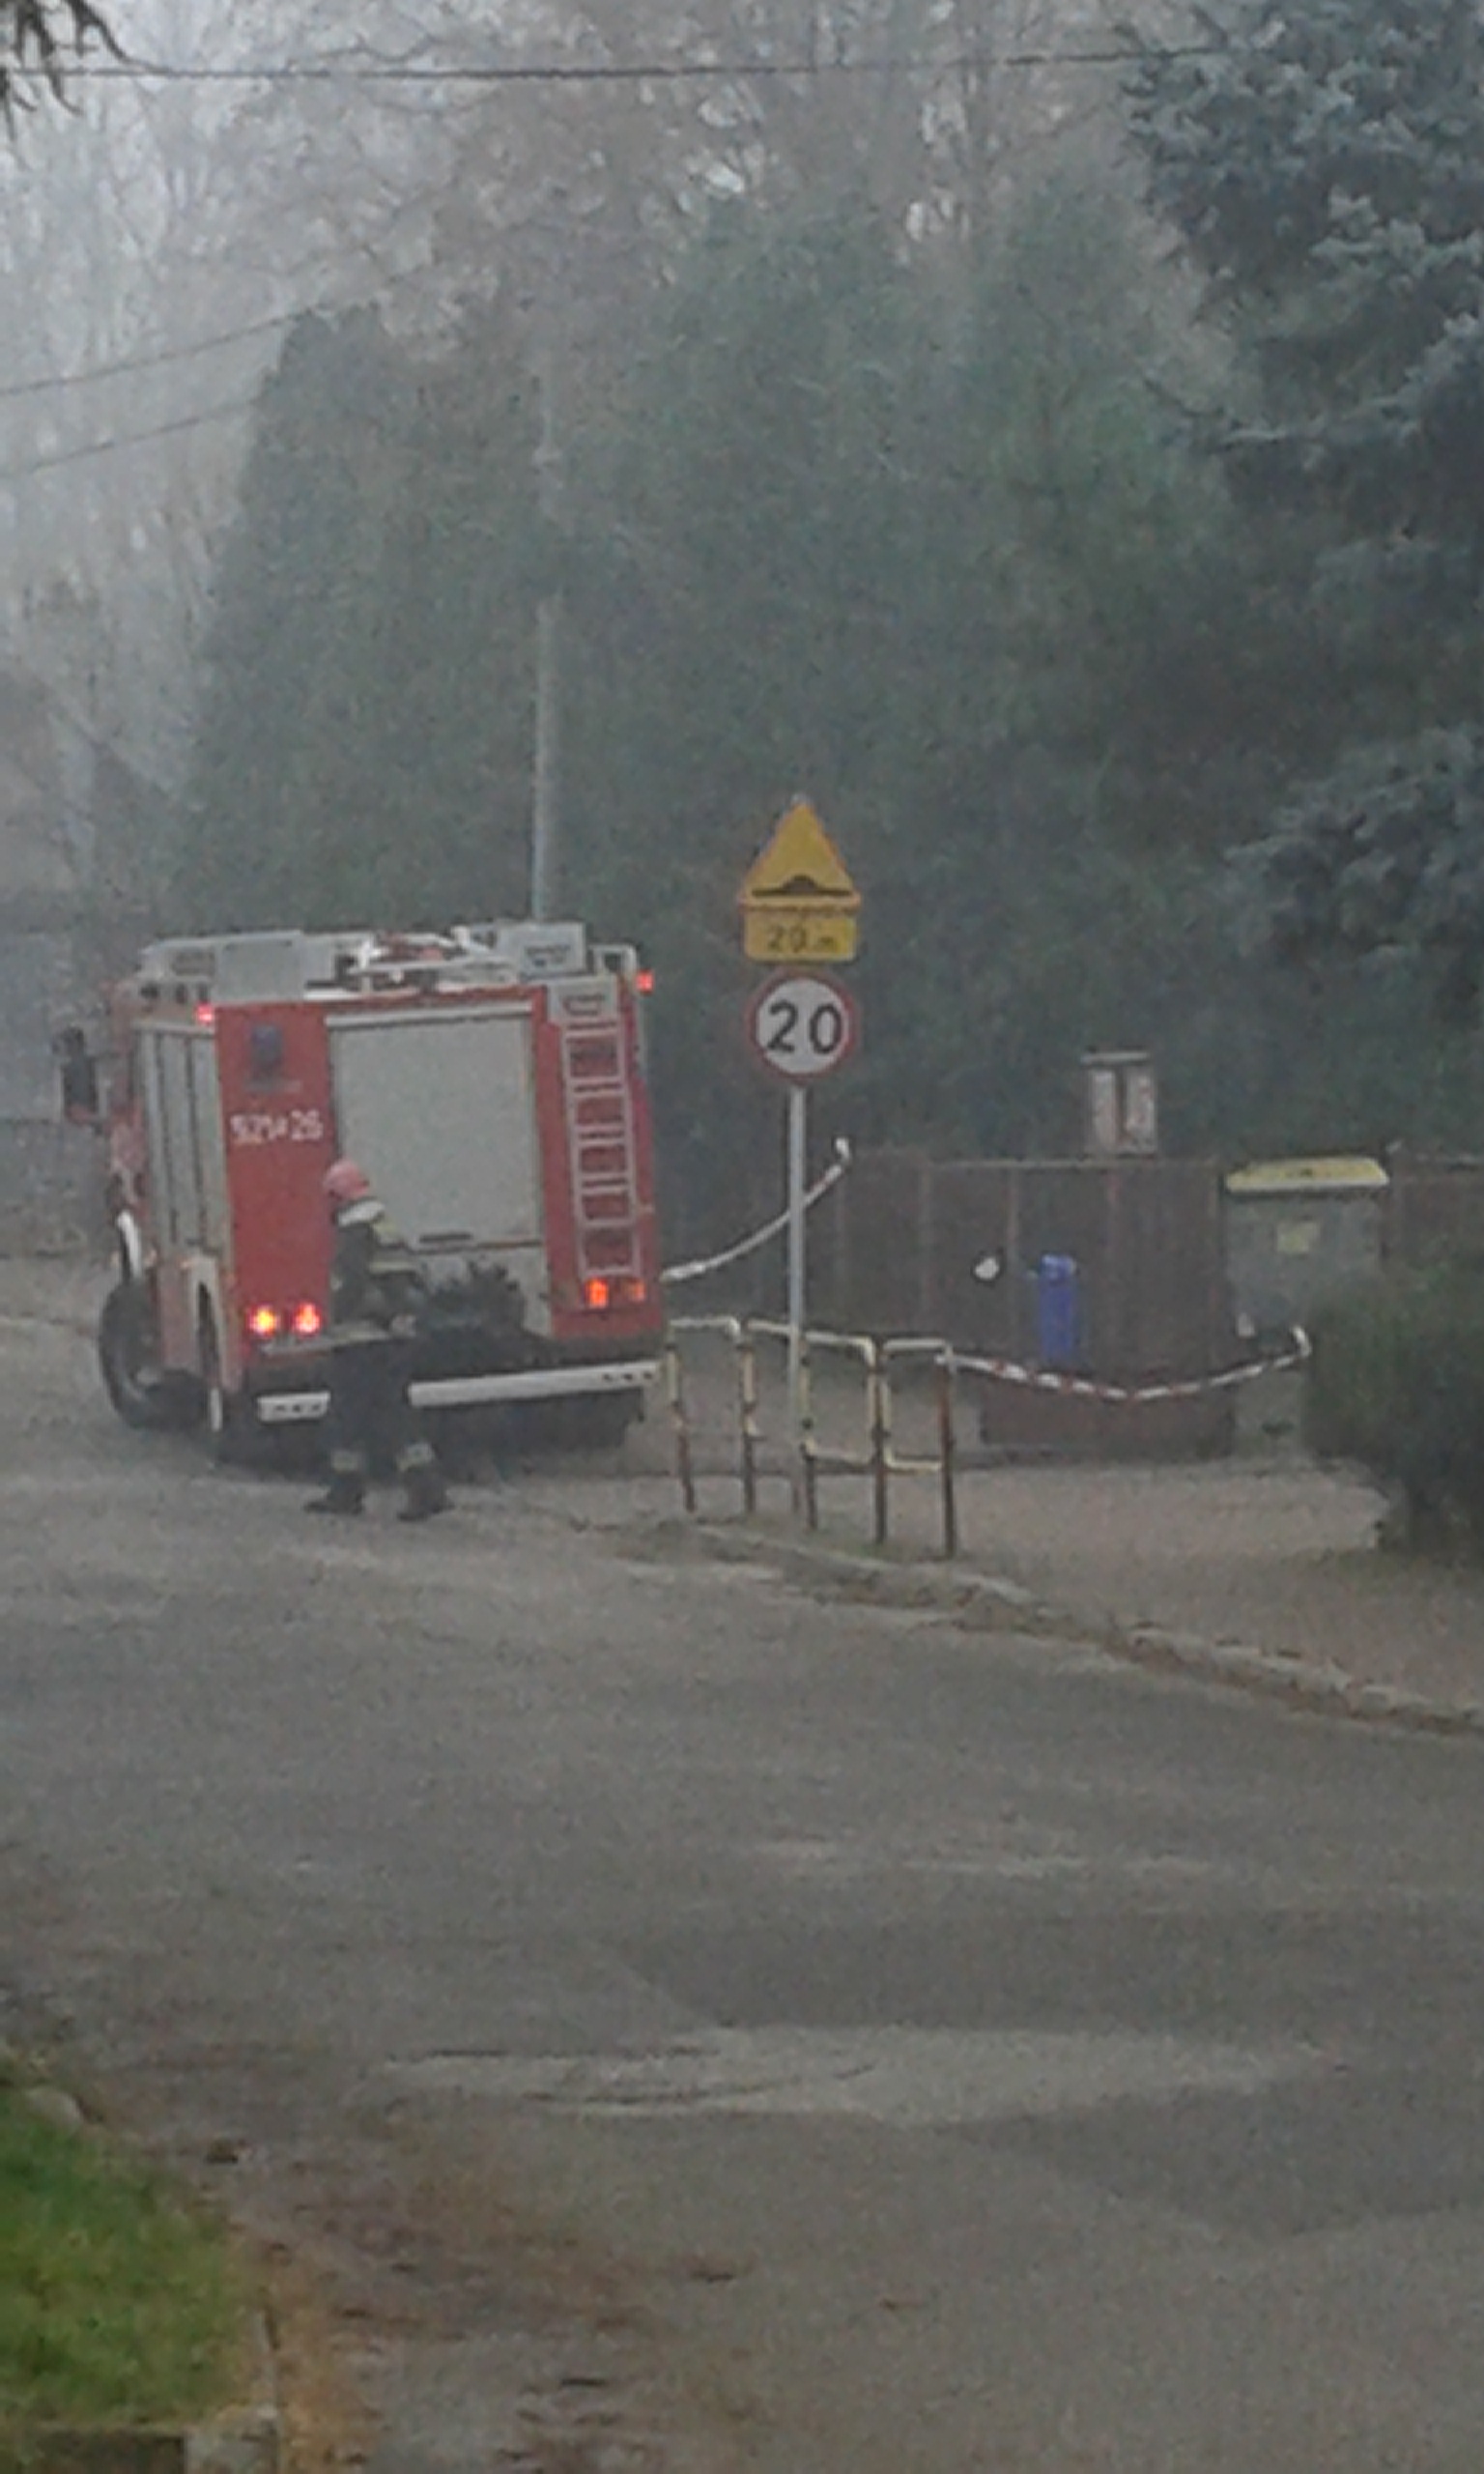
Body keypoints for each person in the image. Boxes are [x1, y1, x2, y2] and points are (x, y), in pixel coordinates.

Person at [307, 1158, 451, 1522]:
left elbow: (353, 1286)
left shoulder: (355, 1230)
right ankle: (425, 1487)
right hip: (390, 1338)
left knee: (348, 1417)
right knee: (393, 1414)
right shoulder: (383, 1223)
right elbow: (405, 1278)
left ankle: (349, 1491)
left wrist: (350, 1317)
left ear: (338, 1196)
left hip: (363, 1340)